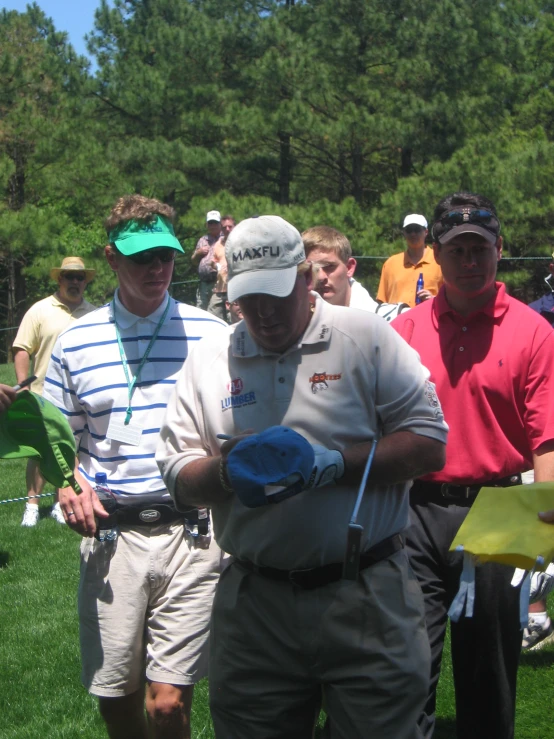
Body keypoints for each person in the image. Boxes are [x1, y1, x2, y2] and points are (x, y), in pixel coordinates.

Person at [157, 214, 449, 739]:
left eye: (275, 295)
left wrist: (334, 464)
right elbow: (177, 473)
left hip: (366, 594)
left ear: (305, 278)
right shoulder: (210, 358)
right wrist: (225, 473)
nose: (263, 314)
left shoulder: (365, 338)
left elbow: (430, 444)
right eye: (249, 299)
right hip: (255, 604)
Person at [43, 195, 227, 739]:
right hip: (112, 536)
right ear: (111, 259)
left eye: (166, 256)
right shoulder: (76, 342)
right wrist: (67, 484)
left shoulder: (211, 336)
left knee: (168, 704)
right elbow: (59, 440)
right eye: (142, 257)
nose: (158, 269)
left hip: (194, 532)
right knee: (116, 700)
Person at [392, 192, 554, 739]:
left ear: (499, 251)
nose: (469, 261)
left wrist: (547, 516)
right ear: (435, 253)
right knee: (408, 662)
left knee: (490, 668)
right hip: (415, 509)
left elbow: (548, 438)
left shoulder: (533, 333)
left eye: (480, 249)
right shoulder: (404, 334)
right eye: (457, 249)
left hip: (501, 507)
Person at [12, 256, 96, 527]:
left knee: (76, 451)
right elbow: (22, 348)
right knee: (39, 452)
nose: (75, 282)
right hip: (43, 394)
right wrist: (23, 387)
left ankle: (64, 501)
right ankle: (32, 505)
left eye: (79, 277)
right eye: (69, 277)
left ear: (85, 282)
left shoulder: (95, 313)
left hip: (84, 396)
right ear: (59, 279)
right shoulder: (40, 310)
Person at [303, 225, 410, 320]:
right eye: (313, 268)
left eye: (329, 266)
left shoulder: (395, 321)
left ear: (349, 268)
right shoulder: (291, 327)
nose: (321, 276)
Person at [377, 214, 443, 307]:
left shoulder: (440, 261)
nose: (413, 234)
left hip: (429, 318)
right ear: (404, 233)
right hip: (397, 320)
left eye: (417, 229)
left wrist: (434, 300)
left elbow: (453, 298)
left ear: (426, 232)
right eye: (409, 230)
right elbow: (382, 302)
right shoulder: (390, 264)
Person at [191, 210, 222, 311]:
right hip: (204, 284)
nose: (213, 225)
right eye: (210, 223)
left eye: (215, 223)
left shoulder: (225, 239)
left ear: (220, 223)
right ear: (207, 225)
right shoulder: (202, 240)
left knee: (216, 312)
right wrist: (198, 253)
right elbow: (194, 262)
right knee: (201, 310)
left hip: (219, 283)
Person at [207, 214, 236, 321]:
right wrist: (217, 265)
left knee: (233, 319)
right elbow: (212, 262)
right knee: (212, 318)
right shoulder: (218, 244)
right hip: (219, 288)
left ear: (234, 227)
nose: (227, 229)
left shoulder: (240, 243)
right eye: (224, 227)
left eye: (230, 226)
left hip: (234, 289)